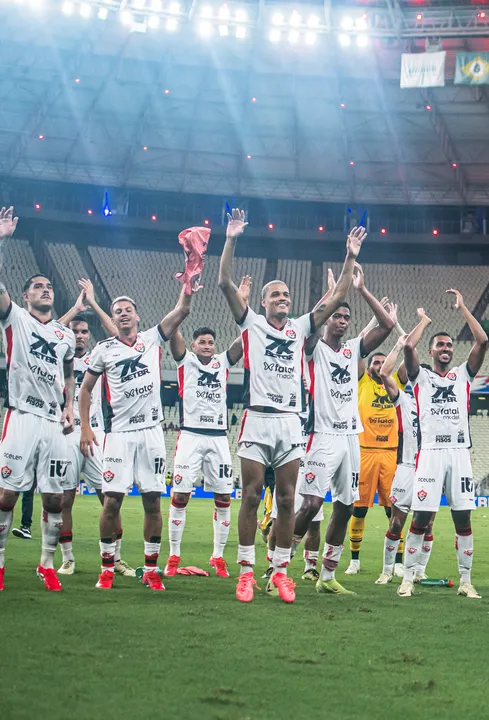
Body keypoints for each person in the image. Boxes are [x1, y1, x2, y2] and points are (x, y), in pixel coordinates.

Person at [217, 209, 361, 603]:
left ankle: (280, 571)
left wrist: (350, 255)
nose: (283, 298)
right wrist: (231, 239)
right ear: (261, 302)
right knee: (249, 497)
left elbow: (340, 296)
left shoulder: (300, 328)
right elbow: (225, 282)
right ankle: (246, 572)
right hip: (257, 420)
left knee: (287, 501)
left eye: (286, 295)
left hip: (291, 425)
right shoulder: (251, 324)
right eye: (275, 295)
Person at [79, 278, 193, 592]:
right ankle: (106, 569)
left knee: (153, 502)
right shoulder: (104, 350)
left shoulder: (152, 339)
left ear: (138, 316)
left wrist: (189, 283)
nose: (124, 314)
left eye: (128, 310)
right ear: (112, 319)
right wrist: (86, 427)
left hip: (152, 434)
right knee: (111, 502)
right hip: (118, 435)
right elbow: (86, 389)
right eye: (118, 311)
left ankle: (152, 570)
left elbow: (182, 309)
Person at [289, 265, 394, 594]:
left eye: (347, 316)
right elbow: (312, 322)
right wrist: (332, 297)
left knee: (346, 507)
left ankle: (328, 575)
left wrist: (361, 291)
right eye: (337, 315)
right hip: (320, 435)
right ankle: (279, 561)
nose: (343, 320)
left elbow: (387, 325)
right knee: (310, 505)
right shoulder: (311, 349)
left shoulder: (351, 351)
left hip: (351, 437)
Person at [0, 206, 78, 592]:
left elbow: (69, 372)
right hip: (21, 417)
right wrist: (1, 238)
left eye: (49, 287)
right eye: (38, 287)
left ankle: (46, 564)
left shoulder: (64, 336)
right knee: (6, 496)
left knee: (54, 500)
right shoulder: (15, 317)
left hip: (53, 424)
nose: (46, 290)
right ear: (26, 295)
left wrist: (69, 405)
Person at [398, 289, 489, 599]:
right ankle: (408, 577)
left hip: (460, 453)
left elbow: (482, 342)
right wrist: (424, 321)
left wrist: (463, 308)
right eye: (441, 345)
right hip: (431, 453)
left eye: (450, 345)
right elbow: (408, 345)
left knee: (462, 518)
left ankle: (466, 581)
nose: (447, 348)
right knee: (421, 517)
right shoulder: (419, 377)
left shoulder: (463, 374)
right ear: (432, 350)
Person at [55, 280, 125, 577]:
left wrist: (94, 304)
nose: (80, 336)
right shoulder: (58, 356)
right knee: (64, 500)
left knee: (109, 499)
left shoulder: (101, 355)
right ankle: (68, 558)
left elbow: (118, 334)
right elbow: (47, 330)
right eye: (75, 331)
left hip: (97, 435)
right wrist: (74, 310)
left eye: (84, 332)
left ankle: (115, 559)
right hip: (64, 435)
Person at [165, 324, 244, 578]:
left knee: (223, 499)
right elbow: (173, 332)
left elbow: (242, 341)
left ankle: (218, 557)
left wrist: (245, 308)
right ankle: (174, 555)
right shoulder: (185, 362)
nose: (207, 346)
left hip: (219, 438)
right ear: (193, 344)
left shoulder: (223, 362)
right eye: (202, 342)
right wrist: (182, 305)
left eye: (211, 342)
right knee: (180, 497)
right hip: (190, 435)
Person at [376, 313, 436, 585]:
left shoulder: (437, 401)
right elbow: (384, 373)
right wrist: (399, 345)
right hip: (406, 467)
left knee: (429, 523)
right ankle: (387, 570)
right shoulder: (404, 399)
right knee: (396, 523)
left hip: (431, 466)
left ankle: (420, 570)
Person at [346, 296, 401, 575]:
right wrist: (374, 319)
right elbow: (357, 344)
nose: (380, 365)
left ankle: (398, 563)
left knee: (394, 510)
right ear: (369, 366)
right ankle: (355, 560)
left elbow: (406, 348)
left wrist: (397, 324)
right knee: (359, 510)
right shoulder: (362, 380)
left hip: (390, 453)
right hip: (364, 451)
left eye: (384, 361)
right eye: (375, 361)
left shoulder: (394, 382)